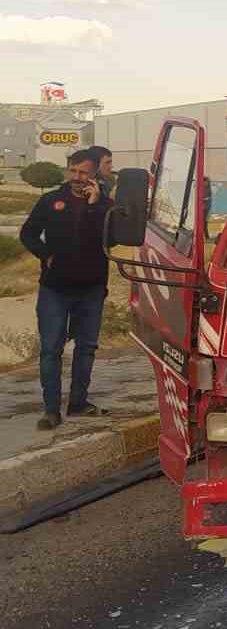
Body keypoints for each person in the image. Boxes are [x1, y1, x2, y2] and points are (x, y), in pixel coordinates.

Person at [19, 149, 112, 430]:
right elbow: (28, 233)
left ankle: (78, 403)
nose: (76, 177)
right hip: (55, 289)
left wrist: (96, 206)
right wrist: (45, 254)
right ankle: (51, 410)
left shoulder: (106, 206)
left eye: (83, 172)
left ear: (94, 174)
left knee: (86, 348)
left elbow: (114, 239)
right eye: (72, 171)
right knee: (51, 349)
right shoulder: (51, 200)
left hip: (92, 289)